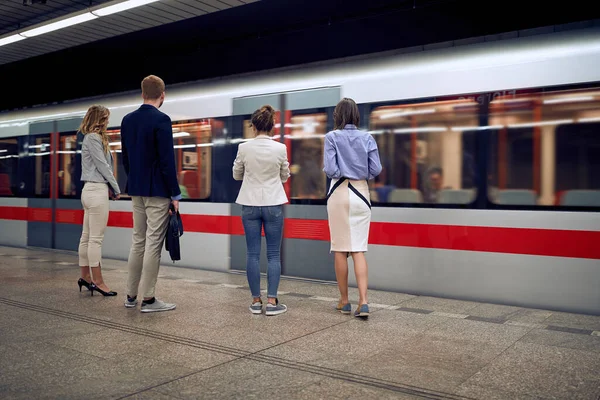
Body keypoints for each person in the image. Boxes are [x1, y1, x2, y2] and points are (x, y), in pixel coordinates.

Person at [120, 75, 181, 313]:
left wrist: (135, 179)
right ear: (162, 95)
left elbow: (125, 158)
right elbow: (167, 161)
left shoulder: (127, 120)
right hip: (157, 191)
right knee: (153, 243)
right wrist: (175, 194)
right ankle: (148, 300)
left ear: (142, 93)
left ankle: (130, 296)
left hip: (136, 189)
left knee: (138, 241)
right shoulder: (162, 120)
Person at [323, 98, 382, 318]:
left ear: (337, 116)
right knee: (358, 248)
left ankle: (345, 301)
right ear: (356, 116)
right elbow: (375, 169)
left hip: (339, 193)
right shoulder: (367, 137)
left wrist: (343, 169)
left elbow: (330, 169)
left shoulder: (331, 138)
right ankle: (364, 303)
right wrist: (359, 172)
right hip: (361, 195)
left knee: (340, 249)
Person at [233, 105, 290, 316]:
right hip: (273, 203)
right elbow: (284, 175)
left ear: (254, 126)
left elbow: (236, 175)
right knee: (274, 254)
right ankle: (273, 302)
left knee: (252, 254)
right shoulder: (280, 149)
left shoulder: (243, 148)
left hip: (249, 204)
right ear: (271, 126)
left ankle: (256, 301)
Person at [77, 105, 121, 297]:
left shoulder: (89, 139)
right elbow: (103, 166)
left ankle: (85, 278)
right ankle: (99, 282)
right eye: (106, 119)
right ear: (100, 120)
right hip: (96, 191)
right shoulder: (94, 139)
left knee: (86, 237)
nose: (108, 122)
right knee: (95, 239)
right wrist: (116, 188)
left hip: (89, 190)